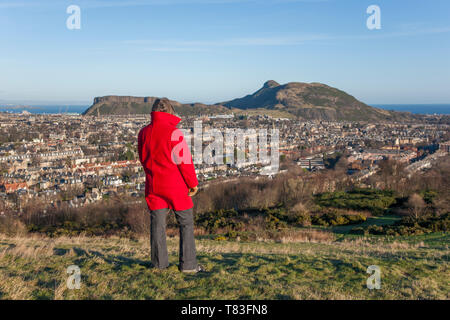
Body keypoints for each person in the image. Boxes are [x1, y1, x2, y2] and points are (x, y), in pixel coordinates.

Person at [138, 98, 204, 273]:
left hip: (154, 185)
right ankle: (188, 265)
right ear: (170, 112)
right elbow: (185, 162)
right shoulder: (174, 133)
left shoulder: (143, 133)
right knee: (186, 223)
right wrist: (193, 183)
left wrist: (152, 174)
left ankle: (159, 264)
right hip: (176, 186)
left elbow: (143, 158)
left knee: (157, 225)